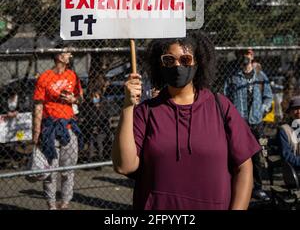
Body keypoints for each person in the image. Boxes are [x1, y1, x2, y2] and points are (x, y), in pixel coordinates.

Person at [112, 32, 261, 210]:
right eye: (169, 60)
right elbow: (124, 166)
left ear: (198, 61)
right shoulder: (146, 111)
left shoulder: (220, 106)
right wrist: (128, 106)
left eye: (185, 59)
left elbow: (244, 168)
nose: (177, 66)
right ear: (160, 65)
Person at [32, 51, 83, 210]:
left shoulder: (73, 75)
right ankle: (51, 205)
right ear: (59, 56)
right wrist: (36, 132)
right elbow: (38, 105)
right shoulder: (44, 77)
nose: (70, 55)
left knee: (68, 170)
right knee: (51, 172)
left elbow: (81, 98)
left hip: (69, 127)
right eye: (67, 53)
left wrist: (73, 99)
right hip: (50, 129)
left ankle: (65, 203)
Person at [224, 48, 273, 201]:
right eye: (242, 54)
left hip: (256, 123)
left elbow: (268, 96)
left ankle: (258, 188)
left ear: (252, 56)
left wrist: (261, 110)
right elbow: (226, 96)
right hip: (240, 123)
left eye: (248, 54)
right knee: (238, 154)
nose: (245, 57)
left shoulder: (260, 76)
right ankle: (238, 186)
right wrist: (232, 115)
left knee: (259, 155)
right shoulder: (233, 78)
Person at [81, 90, 108, 163]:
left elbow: (104, 117)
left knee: (99, 143)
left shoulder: (103, 106)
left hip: (101, 128)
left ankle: (100, 158)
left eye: (96, 97)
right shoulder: (89, 106)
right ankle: (90, 159)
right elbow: (88, 117)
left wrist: (98, 108)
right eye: (93, 97)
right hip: (91, 128)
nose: (94, 98)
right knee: (91, 143)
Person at [278, 95, 300, 179]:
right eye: (295, 109)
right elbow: (286, 155)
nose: (298, 111)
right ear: (290, 112)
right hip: (294, 170)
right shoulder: (285, 130)